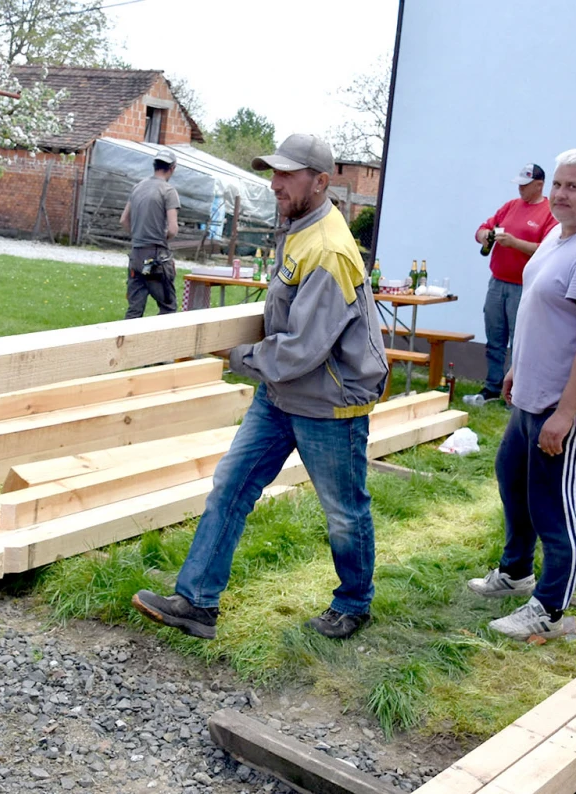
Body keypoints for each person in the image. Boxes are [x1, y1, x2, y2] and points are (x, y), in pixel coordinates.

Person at [131, 134, 388, 641]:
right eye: (274, 173)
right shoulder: (300, 228)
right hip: (282, 394)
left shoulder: (330, 250)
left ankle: (353, 604)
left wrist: (234, 356)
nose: (275, 184)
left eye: (288, 175)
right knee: (231, 486)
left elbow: (300, 349)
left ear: (321, 181)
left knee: (343, 510)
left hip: (329, 401)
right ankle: (197, 602)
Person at [467, 149, 576, 641]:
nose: (560, 194)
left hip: (572, 404)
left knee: (556, 505)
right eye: (557, 184)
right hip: (533, 393)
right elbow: (545, 313)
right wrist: (518, 368)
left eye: (573, 187)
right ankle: (516, 571)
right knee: (513, 478)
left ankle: (551, 611)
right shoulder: (560, 235)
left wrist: (566, 413)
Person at [469, 163, 558, 403]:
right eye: (519, 184)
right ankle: (492, 386)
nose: (520, 189)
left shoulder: (549, 213)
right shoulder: (510, 206)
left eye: (525, 185)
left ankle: (517, 392)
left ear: (539, 185)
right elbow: (483, 228)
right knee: (494, 338)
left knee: (519, 341)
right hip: (497, 282)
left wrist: (514, 243)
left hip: (524, 287)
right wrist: (484, 236)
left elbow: (548, 249)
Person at [120, 150, 180, 319]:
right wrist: (160, 238)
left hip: (136, 256)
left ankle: (127, 336)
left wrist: (139, 235)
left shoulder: (137, 187)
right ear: (172, 168)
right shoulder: (168, 191)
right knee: (168, 309)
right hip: (156, 258)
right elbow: (173, 229)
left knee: (134, 310)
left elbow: (123, 220)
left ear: (154, 165)